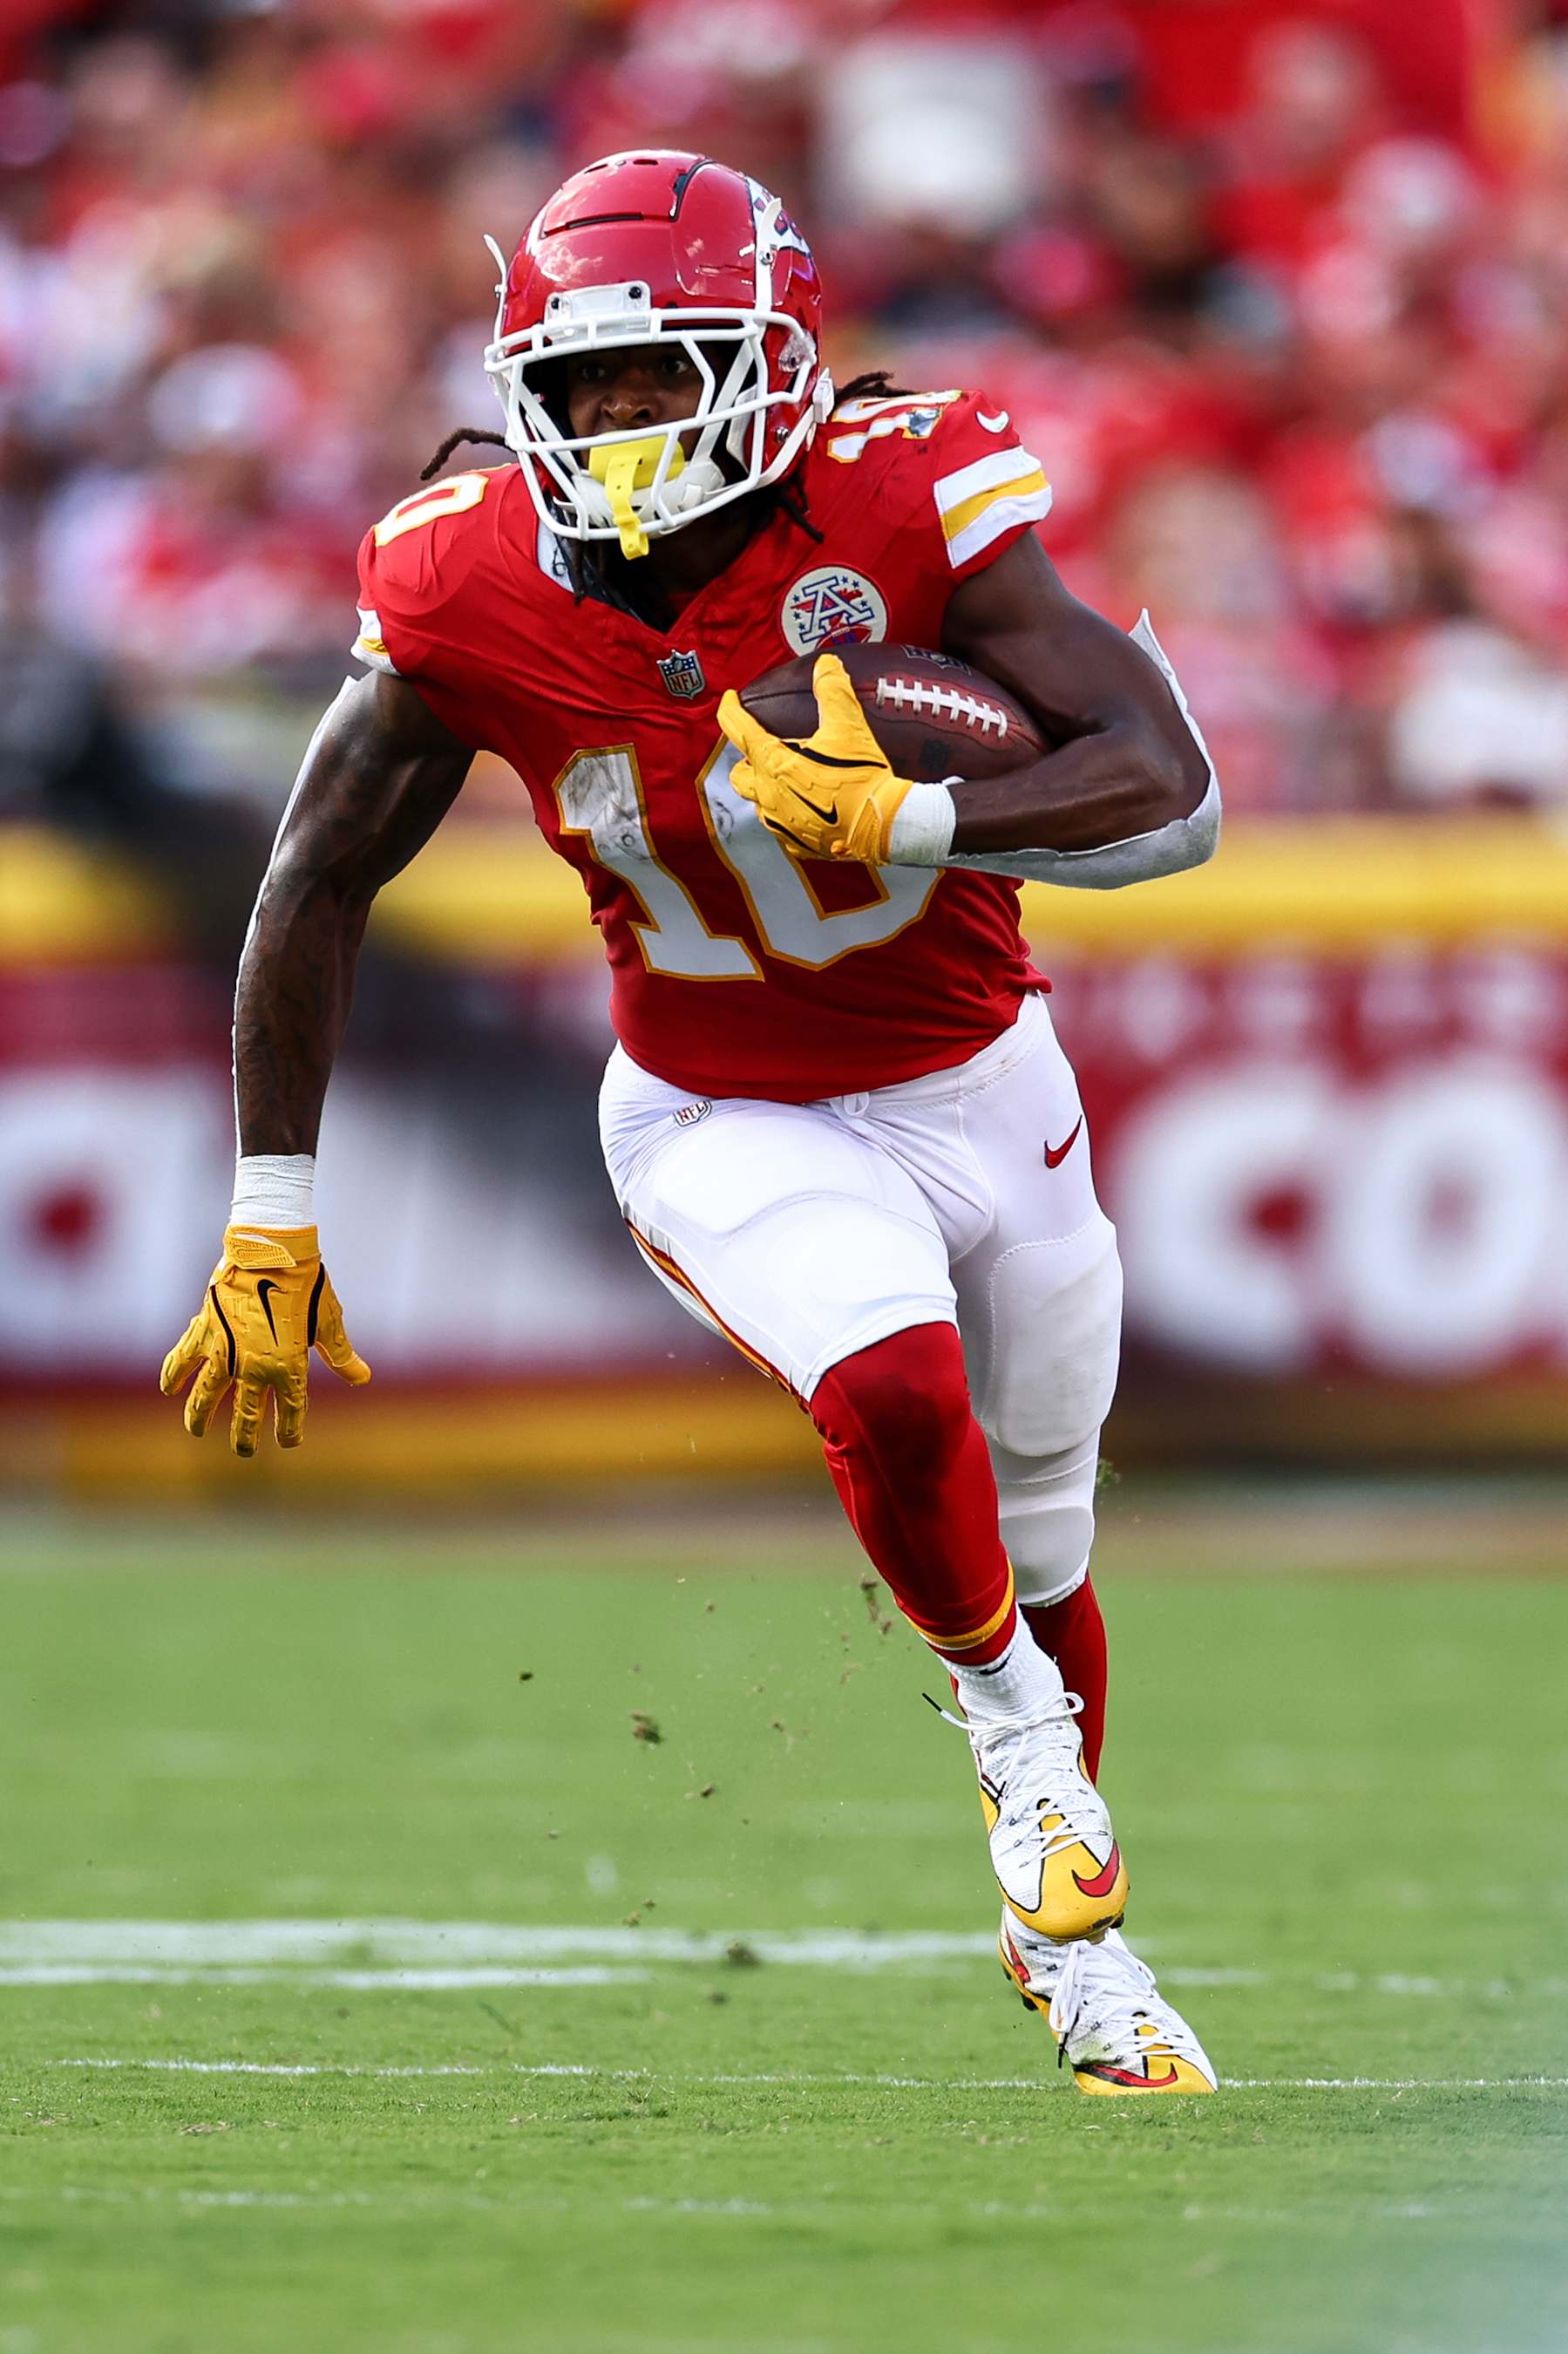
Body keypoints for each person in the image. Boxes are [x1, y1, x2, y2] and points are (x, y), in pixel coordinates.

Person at [160, 151, 1222, 2096]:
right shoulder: (465, 569)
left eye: (662, 379)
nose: (619, 425)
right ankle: (1018, 1765)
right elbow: (313, 873)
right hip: (727, 1110)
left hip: (990, 1081)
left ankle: (1077, 1960)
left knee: (1052, 1521)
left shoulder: (907, 497)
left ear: (773, 358)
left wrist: (920, 818)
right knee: (898, 1394)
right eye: (581, 388)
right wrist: (269, 1208)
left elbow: (1166, 783)